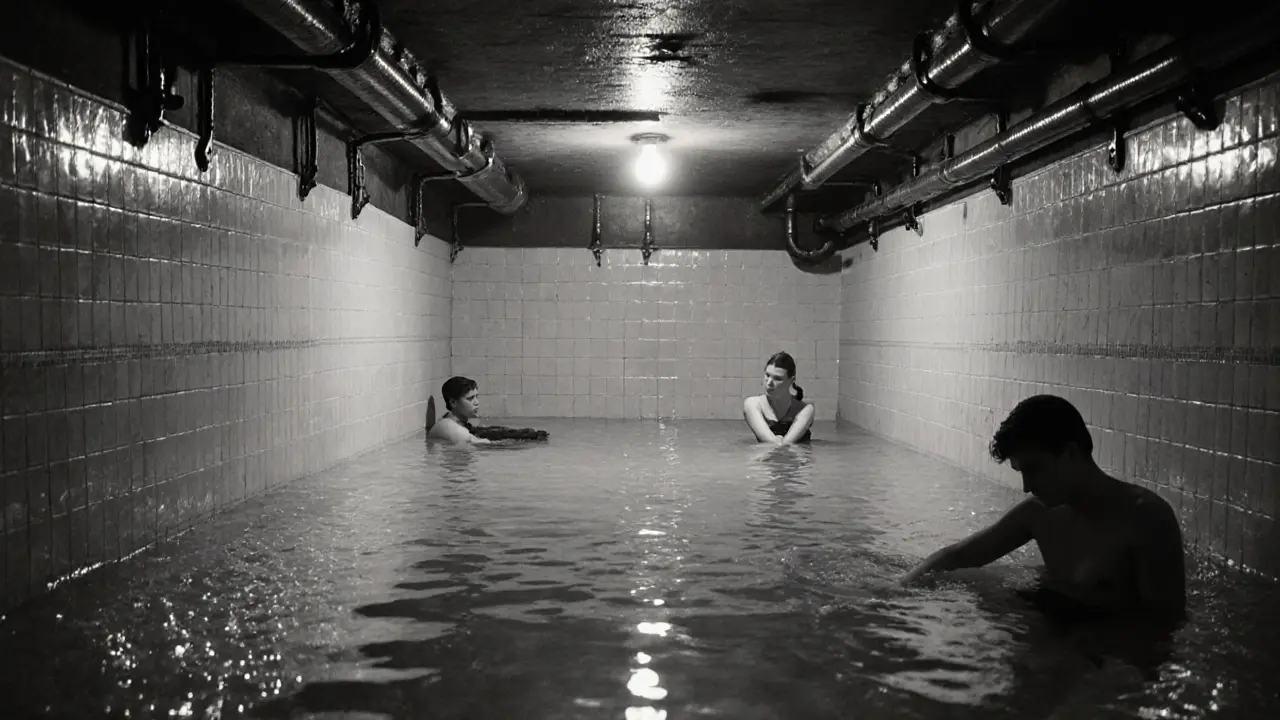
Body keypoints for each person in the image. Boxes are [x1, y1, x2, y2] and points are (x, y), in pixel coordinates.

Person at [900, 395, 1186, 623]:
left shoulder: (1145, 519)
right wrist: (899, 590)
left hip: (1110, 661)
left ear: (1071, 454)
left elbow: (1164, 625)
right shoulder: (1038, 514)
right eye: (1022, 472)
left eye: (1035, 470)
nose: (1026, 486)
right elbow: (960, 555)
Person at [743, 351, 815, 445]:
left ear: (791, 381)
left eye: (777, 378)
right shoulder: (753, 404)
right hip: (766, 458)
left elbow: (787, 443)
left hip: (797, 457)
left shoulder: (806, 409)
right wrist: (779, 441)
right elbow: (769, 441)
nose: (769, 382)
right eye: (767, 375)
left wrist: (779, 441)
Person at [427, 376, 493, 445]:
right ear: (453, 403)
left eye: (476, 396)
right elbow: (485, 444)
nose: (477, 402)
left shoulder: (452, 422)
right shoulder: (449, 427)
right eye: (470, 398)